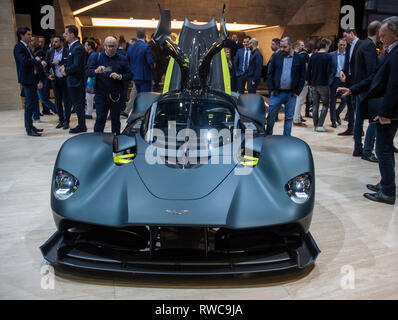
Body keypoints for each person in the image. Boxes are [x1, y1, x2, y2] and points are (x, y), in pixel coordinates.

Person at [337, 16, 398, 205]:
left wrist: (386, 113)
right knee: (384, 148)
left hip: (389, 113)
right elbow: (376, 78)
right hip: (387, 109)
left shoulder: (396, 54)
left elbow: (394, 86)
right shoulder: (391, 51)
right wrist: (352, 89)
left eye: (384, 35)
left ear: (395, 33)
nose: (381, 39)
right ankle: (384, 183)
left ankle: (388, 191)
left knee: (384, 150)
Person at [87, 36, 132, 135]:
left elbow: (129, 74)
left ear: (117, 47)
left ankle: (116, 139)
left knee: (115, 119)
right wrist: (96, 71)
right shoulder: (97, 57)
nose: (111, 48)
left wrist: (119, 76)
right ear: (104, 46)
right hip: (101, 93)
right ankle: (97, 139)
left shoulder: (122, 59)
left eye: (113, 46)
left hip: (116, 94)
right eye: (108, 46)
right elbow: (88, 72)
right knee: (100, 118)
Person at [351, 20, 381, 162]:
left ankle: (358, 147)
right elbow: (372, 71)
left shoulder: (361, 44)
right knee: (373, 121)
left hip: (359, 87)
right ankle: (367, 151)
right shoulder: (369, 45)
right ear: (379, 31)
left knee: (359, 120)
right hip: (366, 89)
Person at [266, 37, 306, 136]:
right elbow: (270, 73)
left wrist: (298, 91)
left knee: (288, 118)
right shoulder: (276, 56)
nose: (282, 49)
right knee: (271, 116)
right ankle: (268, 135)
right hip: (277, 93)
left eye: (285, 47)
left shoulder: (299, 58)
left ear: (290, 45)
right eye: (281, 47)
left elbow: (303, 76)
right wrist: (271, 89)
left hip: (291, 94)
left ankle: (286, 138)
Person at [13, 27, 44, 136]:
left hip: (32, 79)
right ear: (21, 35)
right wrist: (35, 60)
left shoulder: (26, 47)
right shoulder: (18, 47)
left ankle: (31, 126)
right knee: (29, 104)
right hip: (27, 79)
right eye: (28, 34)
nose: (30, 37)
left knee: (32, 103)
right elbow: (24, 62)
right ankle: (29, 129)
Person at [60, 25, 87, 133]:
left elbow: (77, 65)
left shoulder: (78, 47)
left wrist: (65, 70)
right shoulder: (72, 47)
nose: (64, 35)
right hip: (72, 80)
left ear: (72, 34)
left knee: (78, 104)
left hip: (77, 81)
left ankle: (81, 126)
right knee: (76, 104)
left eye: (66, 33)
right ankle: (81, 125)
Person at [338, 28, 362, 136]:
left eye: (345, 36)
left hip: (358, 81)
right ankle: (350, 128)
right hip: (349, 80)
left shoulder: (362, 45)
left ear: (352, 34)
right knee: (350, 105)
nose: (344, 39)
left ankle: (359, 129)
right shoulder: (349, 47)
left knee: (357, 106)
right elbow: (348, 63)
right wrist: (343, 71)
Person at [44, 35, 71, 129]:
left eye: (56, 41)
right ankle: (61, 120)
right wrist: (48, 75)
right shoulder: (50, 52)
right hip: (55, 80)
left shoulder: (67, 51)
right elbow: (46, 66)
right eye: (53, 42)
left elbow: (69, 64)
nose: (54, 43)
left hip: (64, 79)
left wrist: (59, 63)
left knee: (67, 101)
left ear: (61, 43)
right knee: (57, 101)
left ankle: (67, 121)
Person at [308, 38, 332, 132]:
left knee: (315, 104)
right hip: (324, 83)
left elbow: (309, 70)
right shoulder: (328, 56)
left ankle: (315, 124)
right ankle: (320, 124)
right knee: (325, 104)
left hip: (314, 83)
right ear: (326, 45)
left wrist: (310, 82)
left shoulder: (313, 56)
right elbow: (329, 71)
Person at [126, 28, 154, 93]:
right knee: (145, 96)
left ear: (137, 35)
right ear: (145, 35)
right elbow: (149, 61)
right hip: (145, 76)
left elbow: (127, 61)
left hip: (135, 76)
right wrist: (153, 66)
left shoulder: (131, 47)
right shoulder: (146, 46)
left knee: (139, 95)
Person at [329, 38, 348, 127]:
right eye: (340, 44)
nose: (342, 46)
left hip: (344, 81)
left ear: (346, 45)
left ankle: (337, 113)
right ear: (337, 44)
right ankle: (333, 121)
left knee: (345, 100)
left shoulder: (349, 55)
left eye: (344, 45)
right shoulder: (331, 55)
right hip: (334, 80)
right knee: (332, 101)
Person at [293, 40, 310, 127]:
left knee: (296, 100)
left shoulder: (292, 55)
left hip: (294, 81)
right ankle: (296, 119)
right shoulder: (304, 55)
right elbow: (306, 69)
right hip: (302, 81)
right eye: (302, 45)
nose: (303, 47)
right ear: (298, 46)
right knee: (300, 101)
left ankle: (296, 117)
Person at [84, 40, 97, 119]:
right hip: (92, 77)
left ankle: (89, 112)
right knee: (90, 95)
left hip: (92, 78)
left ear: (89, 46)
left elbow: (90, 67)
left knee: (89, 95)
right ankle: (88, 112)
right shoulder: (92, 54)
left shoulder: (92, 55)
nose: (84, 47)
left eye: (85, 45)